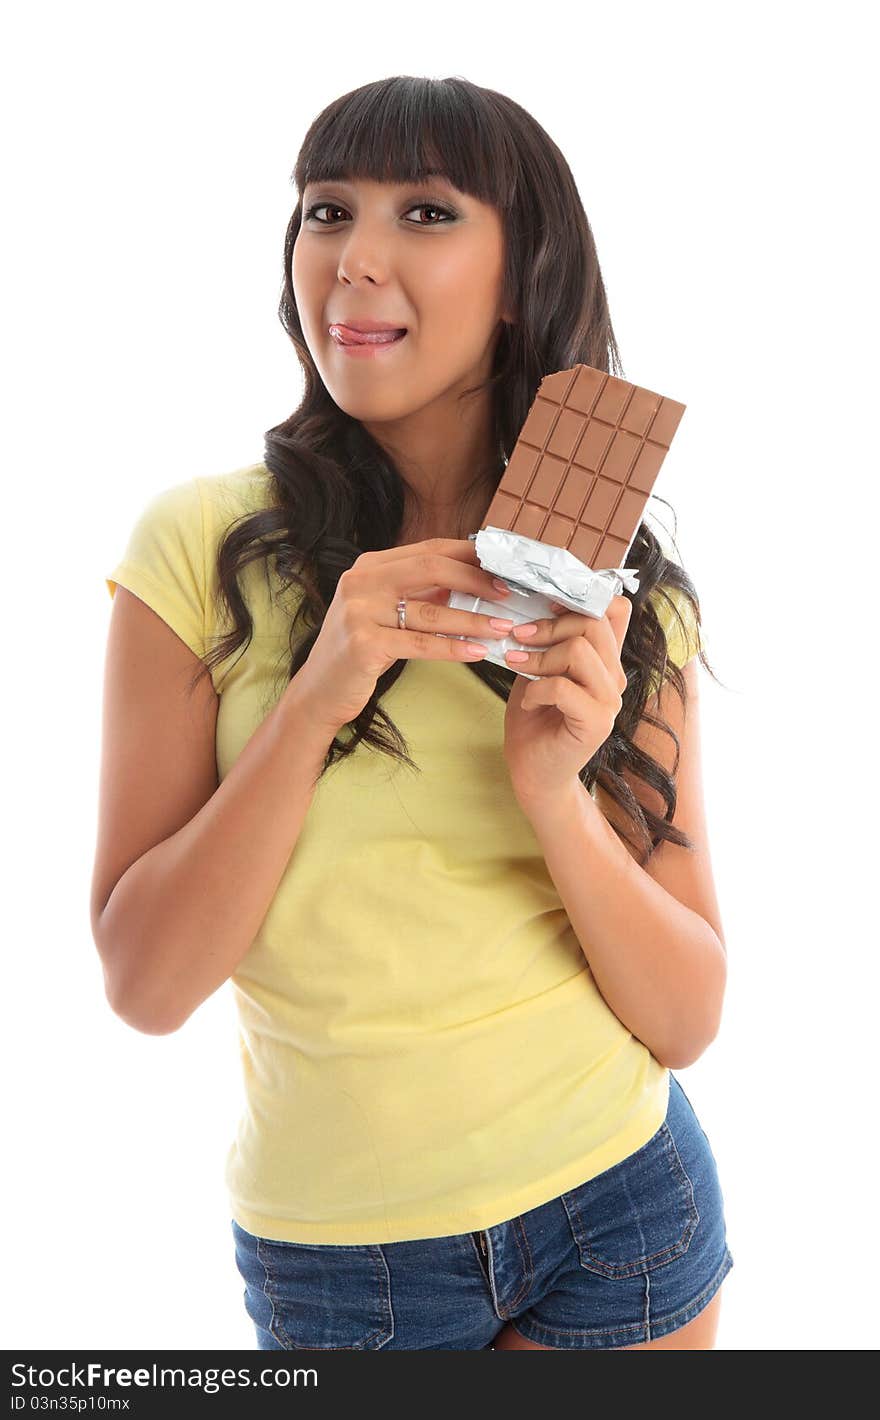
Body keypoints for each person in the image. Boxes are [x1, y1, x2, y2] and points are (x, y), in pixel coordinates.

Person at [93, 75, 734, 1351]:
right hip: (348, 1261)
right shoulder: (199, 547)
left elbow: (686, 1018)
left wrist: (555, 794)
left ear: (520, 276)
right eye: (327, 210)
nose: (354, 258)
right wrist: (318, 696)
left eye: (426, 212)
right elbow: (146, 985)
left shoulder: (620, 602)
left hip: (620, 1204)